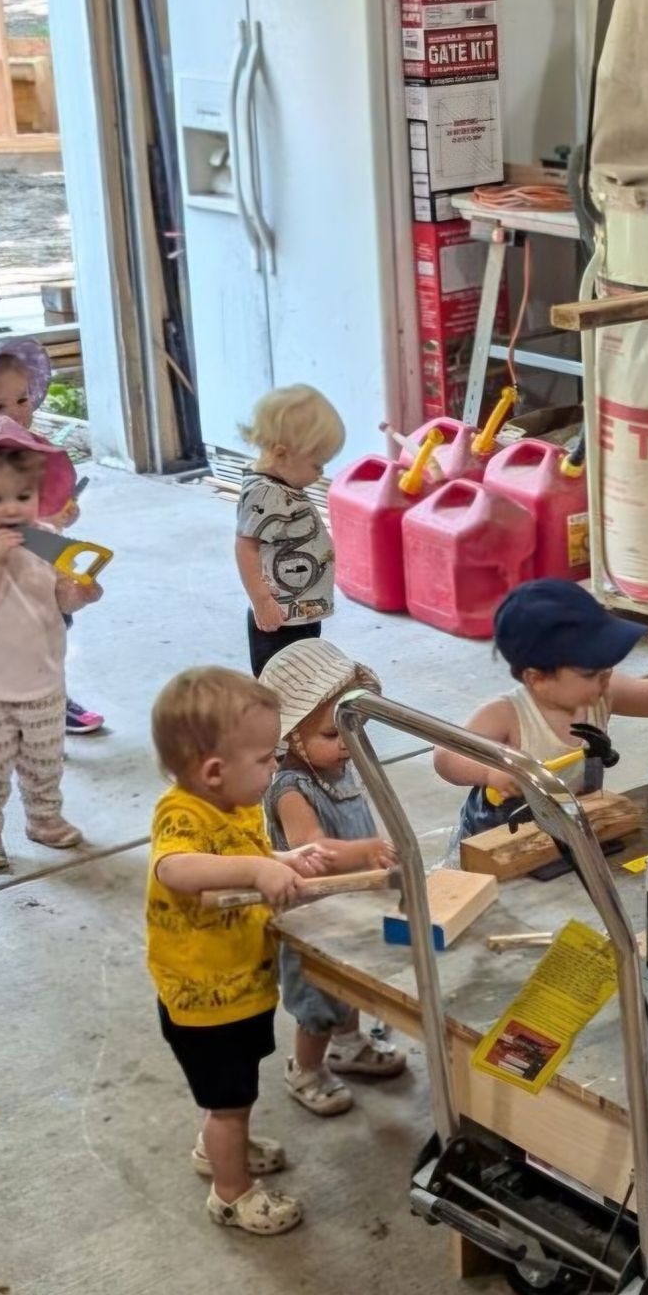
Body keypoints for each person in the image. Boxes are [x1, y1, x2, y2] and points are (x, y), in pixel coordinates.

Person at [146, 665, 341, 1235]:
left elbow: (238, 861)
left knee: (237, 1091)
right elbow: (176, 867)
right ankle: (230, 1192)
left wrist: (281, 862)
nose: (275, 767)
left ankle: (223, 1147)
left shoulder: (232, 808)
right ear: (213, 771)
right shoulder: (182, 813)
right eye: (264, 759)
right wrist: (258, 866)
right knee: (227, 1101)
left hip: (240, 986)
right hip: (206, 1001)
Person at [434, 577, 648, 844]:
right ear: (536, 678)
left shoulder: (600, 694)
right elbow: (446, 756)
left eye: (607, 668)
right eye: (590, 673)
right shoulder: (508, 715)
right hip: (497, 842)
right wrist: (490, 772)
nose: (605, 679)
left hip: (571, 829)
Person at [0, 417, 102, 873]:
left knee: (44, 762)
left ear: (38, 495)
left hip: (44, 677)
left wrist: (78, 594)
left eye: (22, 497)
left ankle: (43, 819)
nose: (11, 508)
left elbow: (57, 596)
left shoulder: (45, 540)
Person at [258, 639, 405, 1115]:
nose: (347, 741)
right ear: (291, 735)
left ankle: (350, 1044)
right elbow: (312, 851)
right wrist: (367, 849)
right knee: (317, 996)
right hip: (313, 914)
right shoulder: (290, 788)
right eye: (331, 732)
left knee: (352, 980)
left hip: (353, 899)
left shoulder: (340, 769)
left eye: (353, 726)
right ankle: (307, 1068)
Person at [0, 334, 103, 735]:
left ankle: (52, 700)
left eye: (21, 400)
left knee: (53, 631)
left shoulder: (32, 445)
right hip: (1, 571)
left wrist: (62, 513)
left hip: (41, 560)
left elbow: (45, 502)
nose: (15, 413)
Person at [237, 385, 343, 676]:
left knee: (305, 677)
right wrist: (261, 600)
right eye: (317, 465)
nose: (320, 474)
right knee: (282, 682)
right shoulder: (264, 494)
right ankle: (281, 722)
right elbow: (246, 548)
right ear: (282, 454)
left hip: (299, 610)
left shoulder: (282, 485)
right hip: (279, 617)